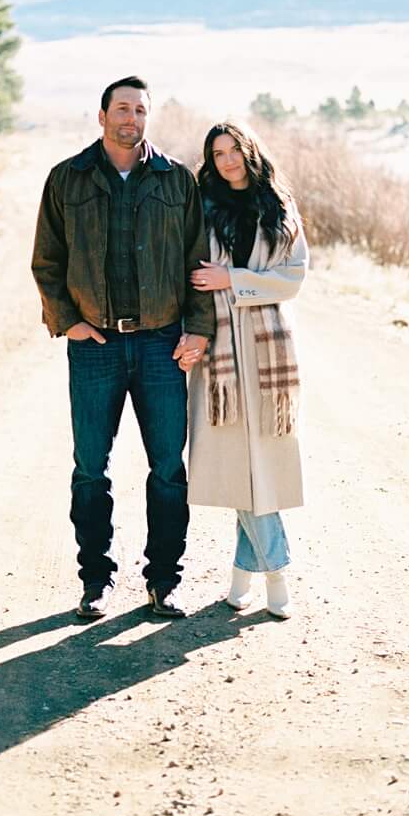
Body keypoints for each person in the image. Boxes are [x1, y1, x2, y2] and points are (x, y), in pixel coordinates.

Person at [31, 76, 215, 621]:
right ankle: (96, 580)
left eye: (140, 110)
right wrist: (68, 322)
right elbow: (47, 261)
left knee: (167, 469)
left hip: (161, 345)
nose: (131, 118)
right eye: (122, 108)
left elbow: (197, 262)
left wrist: (198, 330)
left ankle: (164, 580)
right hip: (96, 347)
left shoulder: (177, 181)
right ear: (102, 115)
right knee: (91, 467)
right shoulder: (68, 179)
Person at [175, 120, 307, 618]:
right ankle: (272, 577)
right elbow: (193, 278)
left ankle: (248, 580)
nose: (226, 161)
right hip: (223, 360)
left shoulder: (280, 207)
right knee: (243, 471)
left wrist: (232, 277)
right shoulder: (203, 209)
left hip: (269, 353)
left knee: (258, 471)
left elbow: (292, 280)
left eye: (234, 150)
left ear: (250, 152)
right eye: (217, 153)